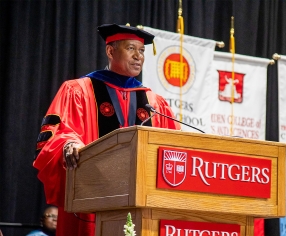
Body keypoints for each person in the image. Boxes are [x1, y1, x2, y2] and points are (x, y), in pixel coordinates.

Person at [33, 23, 180, 236]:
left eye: (142, 51)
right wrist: (69, 143)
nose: (138, 56)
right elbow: (58, 131)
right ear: (110, 51)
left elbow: (171, 147)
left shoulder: (153, 102)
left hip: (140, 203)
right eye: (131, 49)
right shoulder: (78, 90)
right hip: (91, 201)